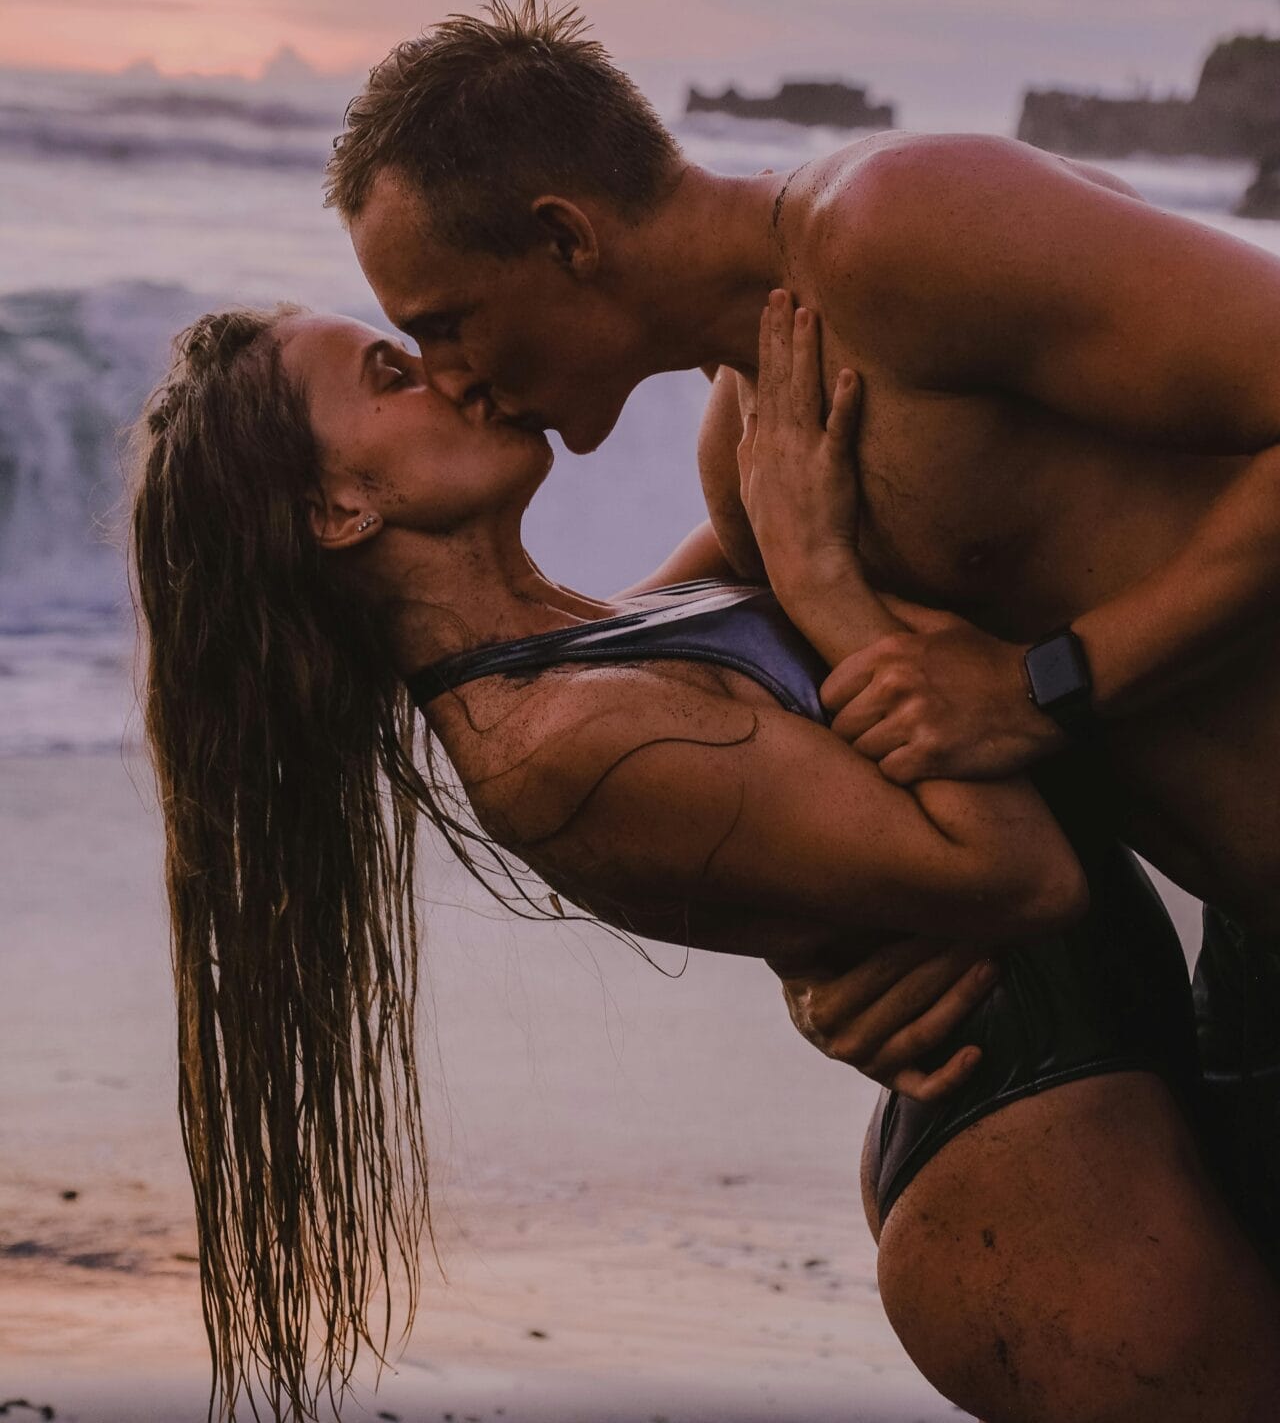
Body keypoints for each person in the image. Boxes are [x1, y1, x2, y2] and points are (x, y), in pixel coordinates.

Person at [131, 298, 1280, 1423]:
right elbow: (1021, 874)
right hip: (1031, 1180)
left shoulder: (598, 641)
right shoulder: (553, 747)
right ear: (337, 507)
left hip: (1095, 1101)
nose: (452, 373)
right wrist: (828, 582)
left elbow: (769, 400)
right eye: (392, 372)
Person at [327, 0, 1280, 1270]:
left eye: (441, 323)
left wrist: (1043, 683)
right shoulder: (756, 450)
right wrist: (815, 950)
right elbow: (685, 703)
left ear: (564, 238)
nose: (447, 375)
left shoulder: (903, 228)